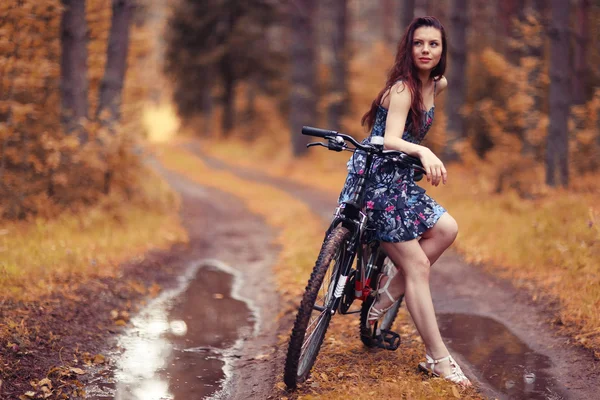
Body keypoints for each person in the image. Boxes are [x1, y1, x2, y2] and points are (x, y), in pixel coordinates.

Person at [338, 16, 472, 386]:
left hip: (399, 181)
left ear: (442, 50)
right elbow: (389, 139)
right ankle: (438, 359)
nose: (426, 50)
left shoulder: (437, 84)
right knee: (418, 266)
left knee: (447, 229)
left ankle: (386, 294)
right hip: (375, 182)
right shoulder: (402, 89)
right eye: (419, 44)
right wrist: (424, 152)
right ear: (408, 48)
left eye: (434, 44)